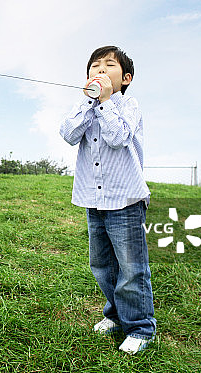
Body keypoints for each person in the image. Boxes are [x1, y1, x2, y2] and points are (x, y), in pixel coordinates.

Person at [59, 45, 156, 355]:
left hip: (125, 200)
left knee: (131, 267)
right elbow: (69, 134)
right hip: (94, 199)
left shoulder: (128, 106)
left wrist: (104, 102)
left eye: (108, 66)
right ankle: (115, 315)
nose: (99, 70)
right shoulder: (86, 107)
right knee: (102, 265)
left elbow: (117, 137)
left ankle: (140, 327)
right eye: (94, 66)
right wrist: (88, 102)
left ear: (125, 78)